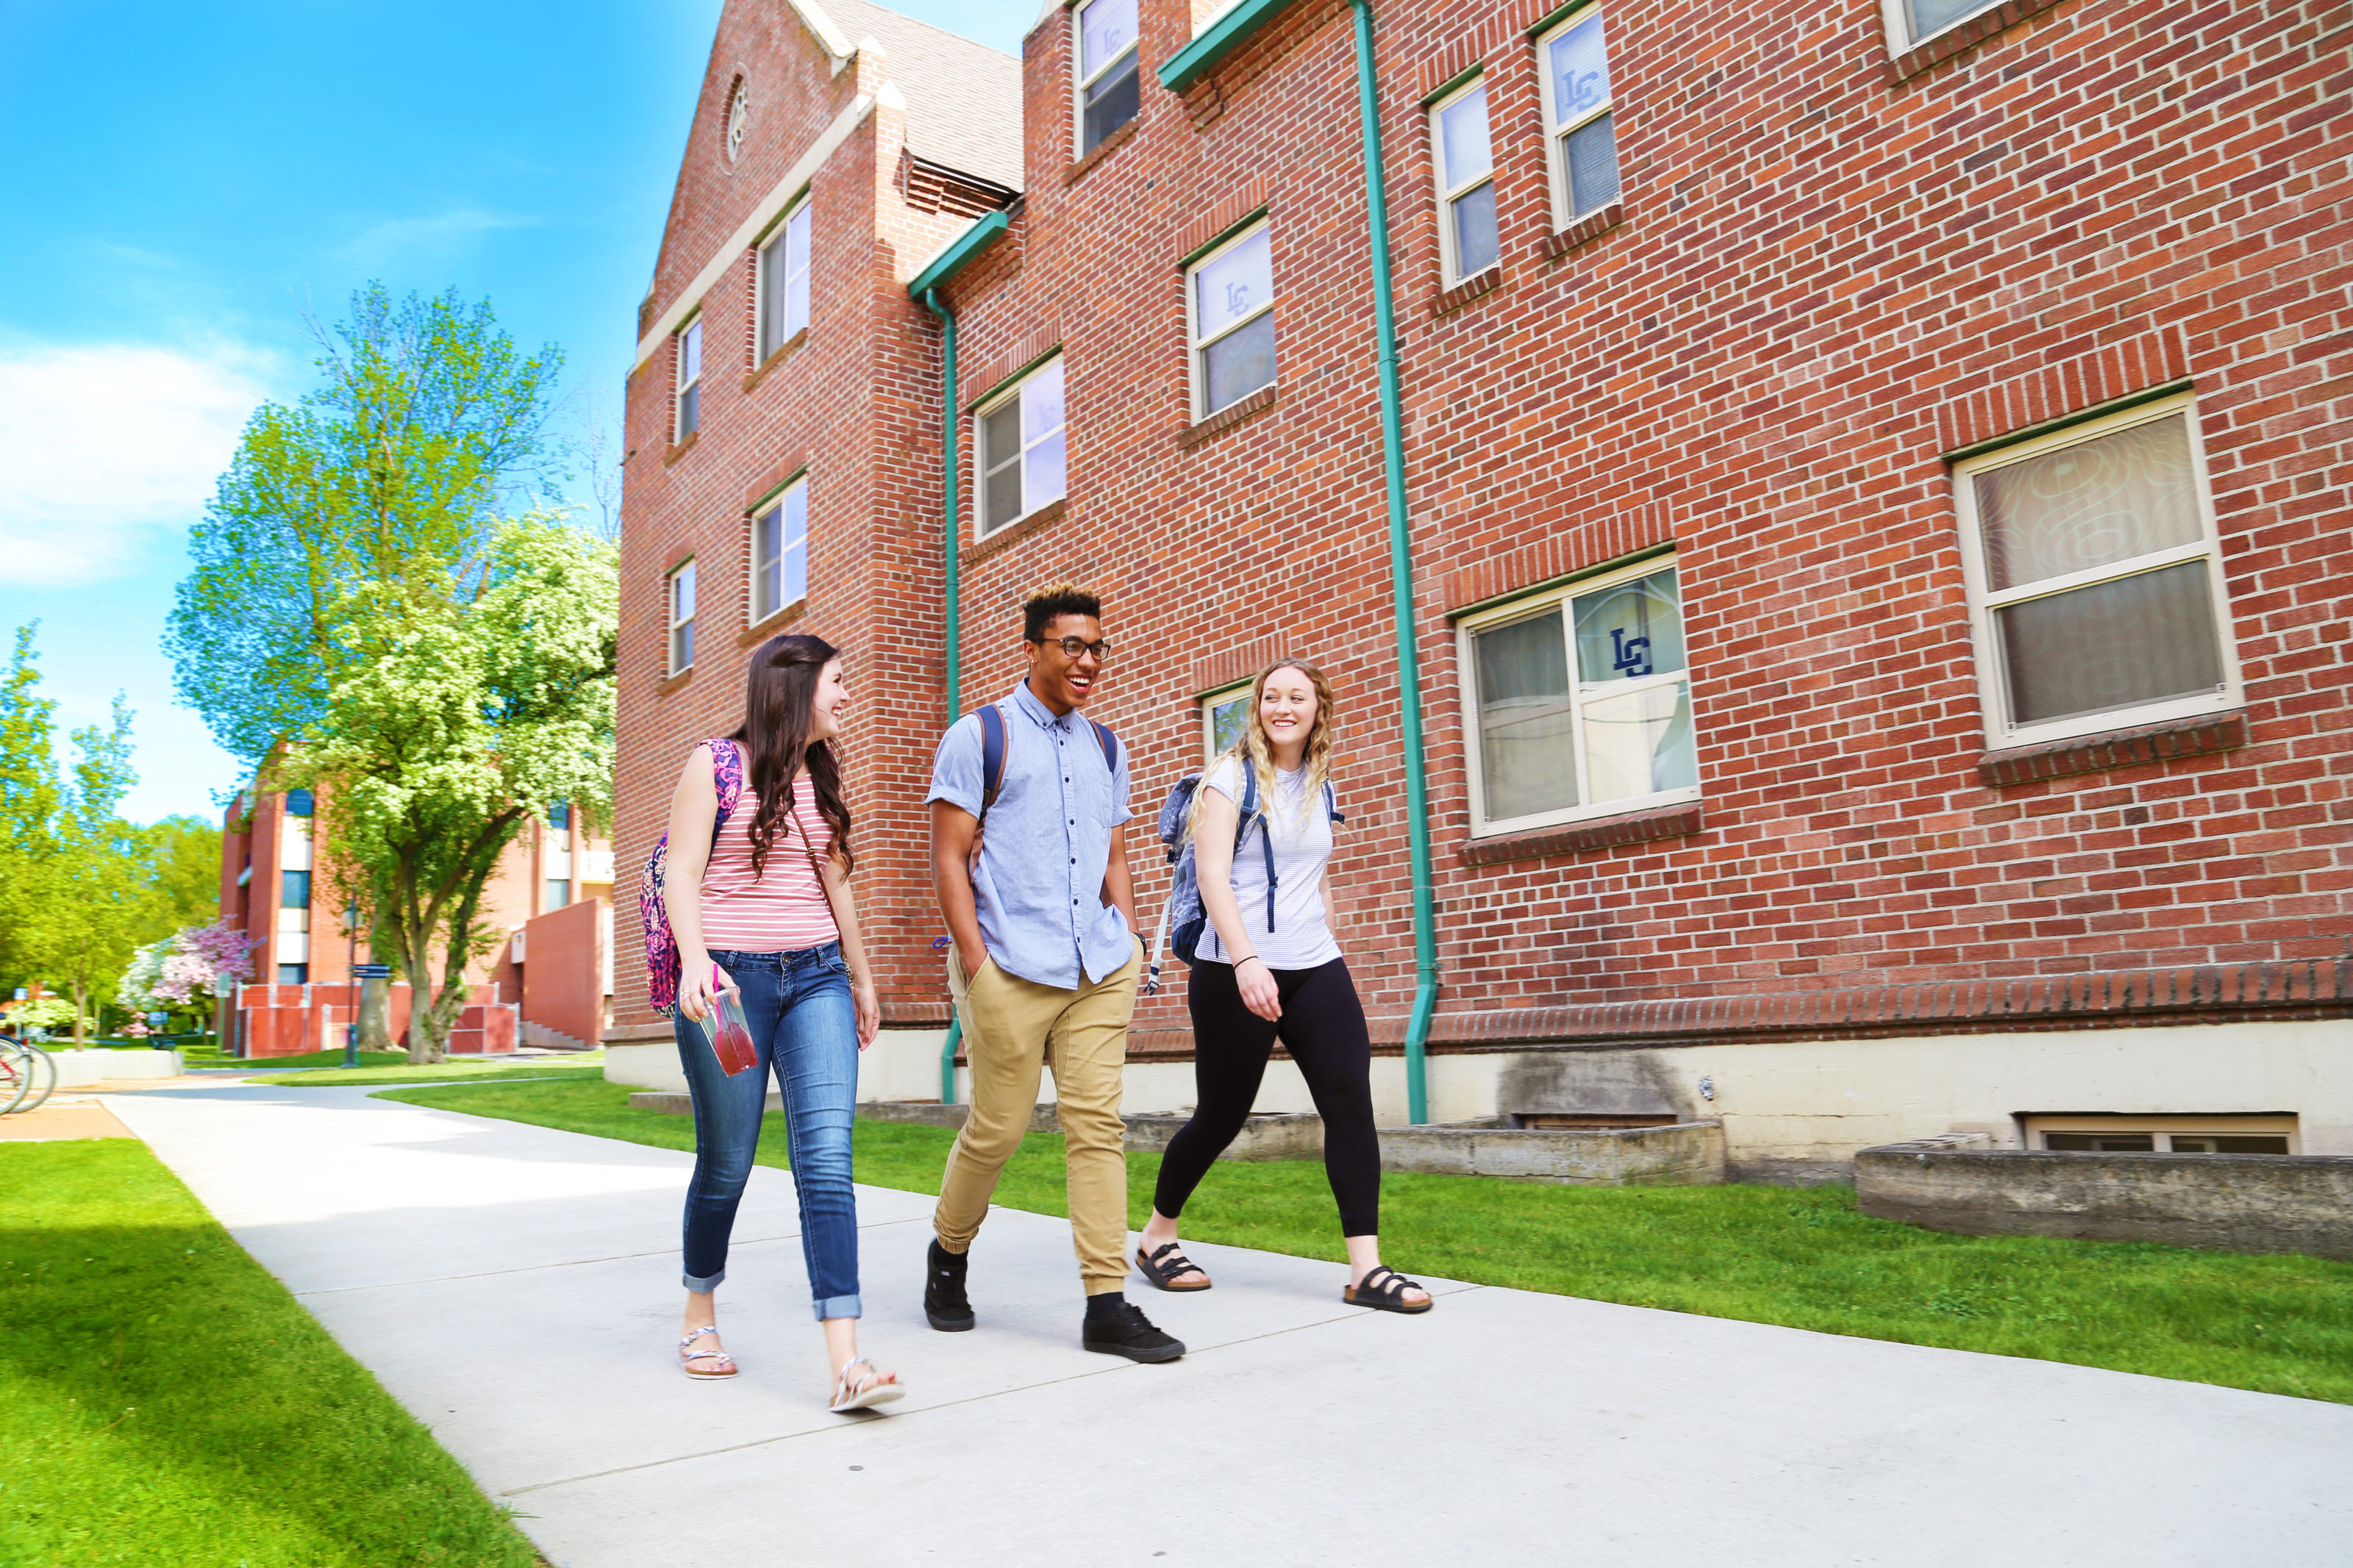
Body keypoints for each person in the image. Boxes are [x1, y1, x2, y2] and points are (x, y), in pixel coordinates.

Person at [921, 584, 1184, 1362]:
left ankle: (1106, 1303)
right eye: (1071, 645)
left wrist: (1131, 938)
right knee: (996, 1130)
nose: (1087, 661)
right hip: (1009, 965)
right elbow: (946, 857)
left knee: (1096, 1127)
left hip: (1097, 967)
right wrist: (976, 966)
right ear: (1031, 646)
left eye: (1097, 647)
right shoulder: (980, 736)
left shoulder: (1107, 746)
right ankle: (947, 1255)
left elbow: (1111, 852)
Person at [1133, 659, 1432, 1314]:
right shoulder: (1228, 777)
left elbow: (1316, 873)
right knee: (1222, 1115)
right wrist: (1246, 963)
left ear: (1318, 708)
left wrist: (1328, 941)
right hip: (1232, 967)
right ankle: (1158, 1236)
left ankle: (1366, 1269)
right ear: (1257, 707)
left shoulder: (1322, 782)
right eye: (1271, 696)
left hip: (1314, 963)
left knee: (1350, 1102)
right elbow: (1213, 877)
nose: (1282, 706)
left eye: (1296, 696)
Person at [660, 632, 904, 1410]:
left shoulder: (823, 777)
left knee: (826, 1160)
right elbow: (681, 871)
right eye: (837, 680)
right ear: (793, 688)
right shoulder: (714, 764)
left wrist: (861, 981)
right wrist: (695, 961)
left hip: (817, 982)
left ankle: (847, 1363)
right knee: (727, 1160)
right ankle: (699, 1311)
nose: (846, 694)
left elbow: (838, 890)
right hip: (730, 990)